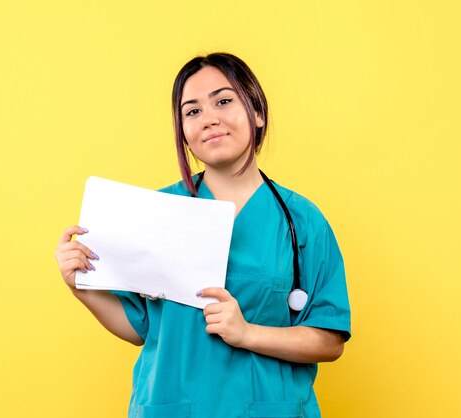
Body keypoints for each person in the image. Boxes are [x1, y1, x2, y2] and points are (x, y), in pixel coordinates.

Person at [54, 52, 351, 418]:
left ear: (257, 113)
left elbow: (329, 339)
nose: (209, 119)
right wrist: (80, 286)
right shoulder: (154, 212)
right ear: (183, 132)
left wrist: (247, 333)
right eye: (192, 111)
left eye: (224, 101)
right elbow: (143, 327)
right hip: (171, 407)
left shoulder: (302, 221)